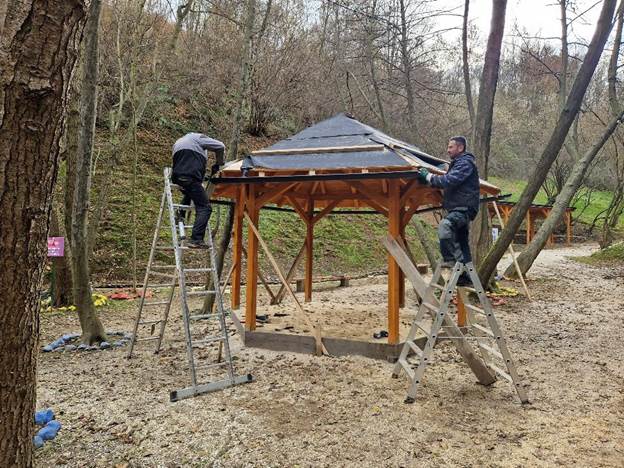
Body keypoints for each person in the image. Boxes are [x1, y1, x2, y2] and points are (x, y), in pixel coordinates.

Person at [416, 136, 480, 286]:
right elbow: (448, 180)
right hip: (458, 208)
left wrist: (429, 176)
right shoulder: (458, 164)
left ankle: (451, 261)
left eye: (451, 147)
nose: (448, 150)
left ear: (460, 148)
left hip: (463, 208)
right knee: (462, 243)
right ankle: (465, 276)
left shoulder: (465, 163)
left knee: (445, 227)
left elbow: (449, 180)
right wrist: (433, 179)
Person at [171, 132, 225, 248]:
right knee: (205, 208)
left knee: (190, 192)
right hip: (190, 177)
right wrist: (219, 164)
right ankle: (196, 239)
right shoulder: (199, 138)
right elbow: (220, 146)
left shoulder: (178, 142)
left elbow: (183, 162)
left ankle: (180, 213)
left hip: (179, 177)